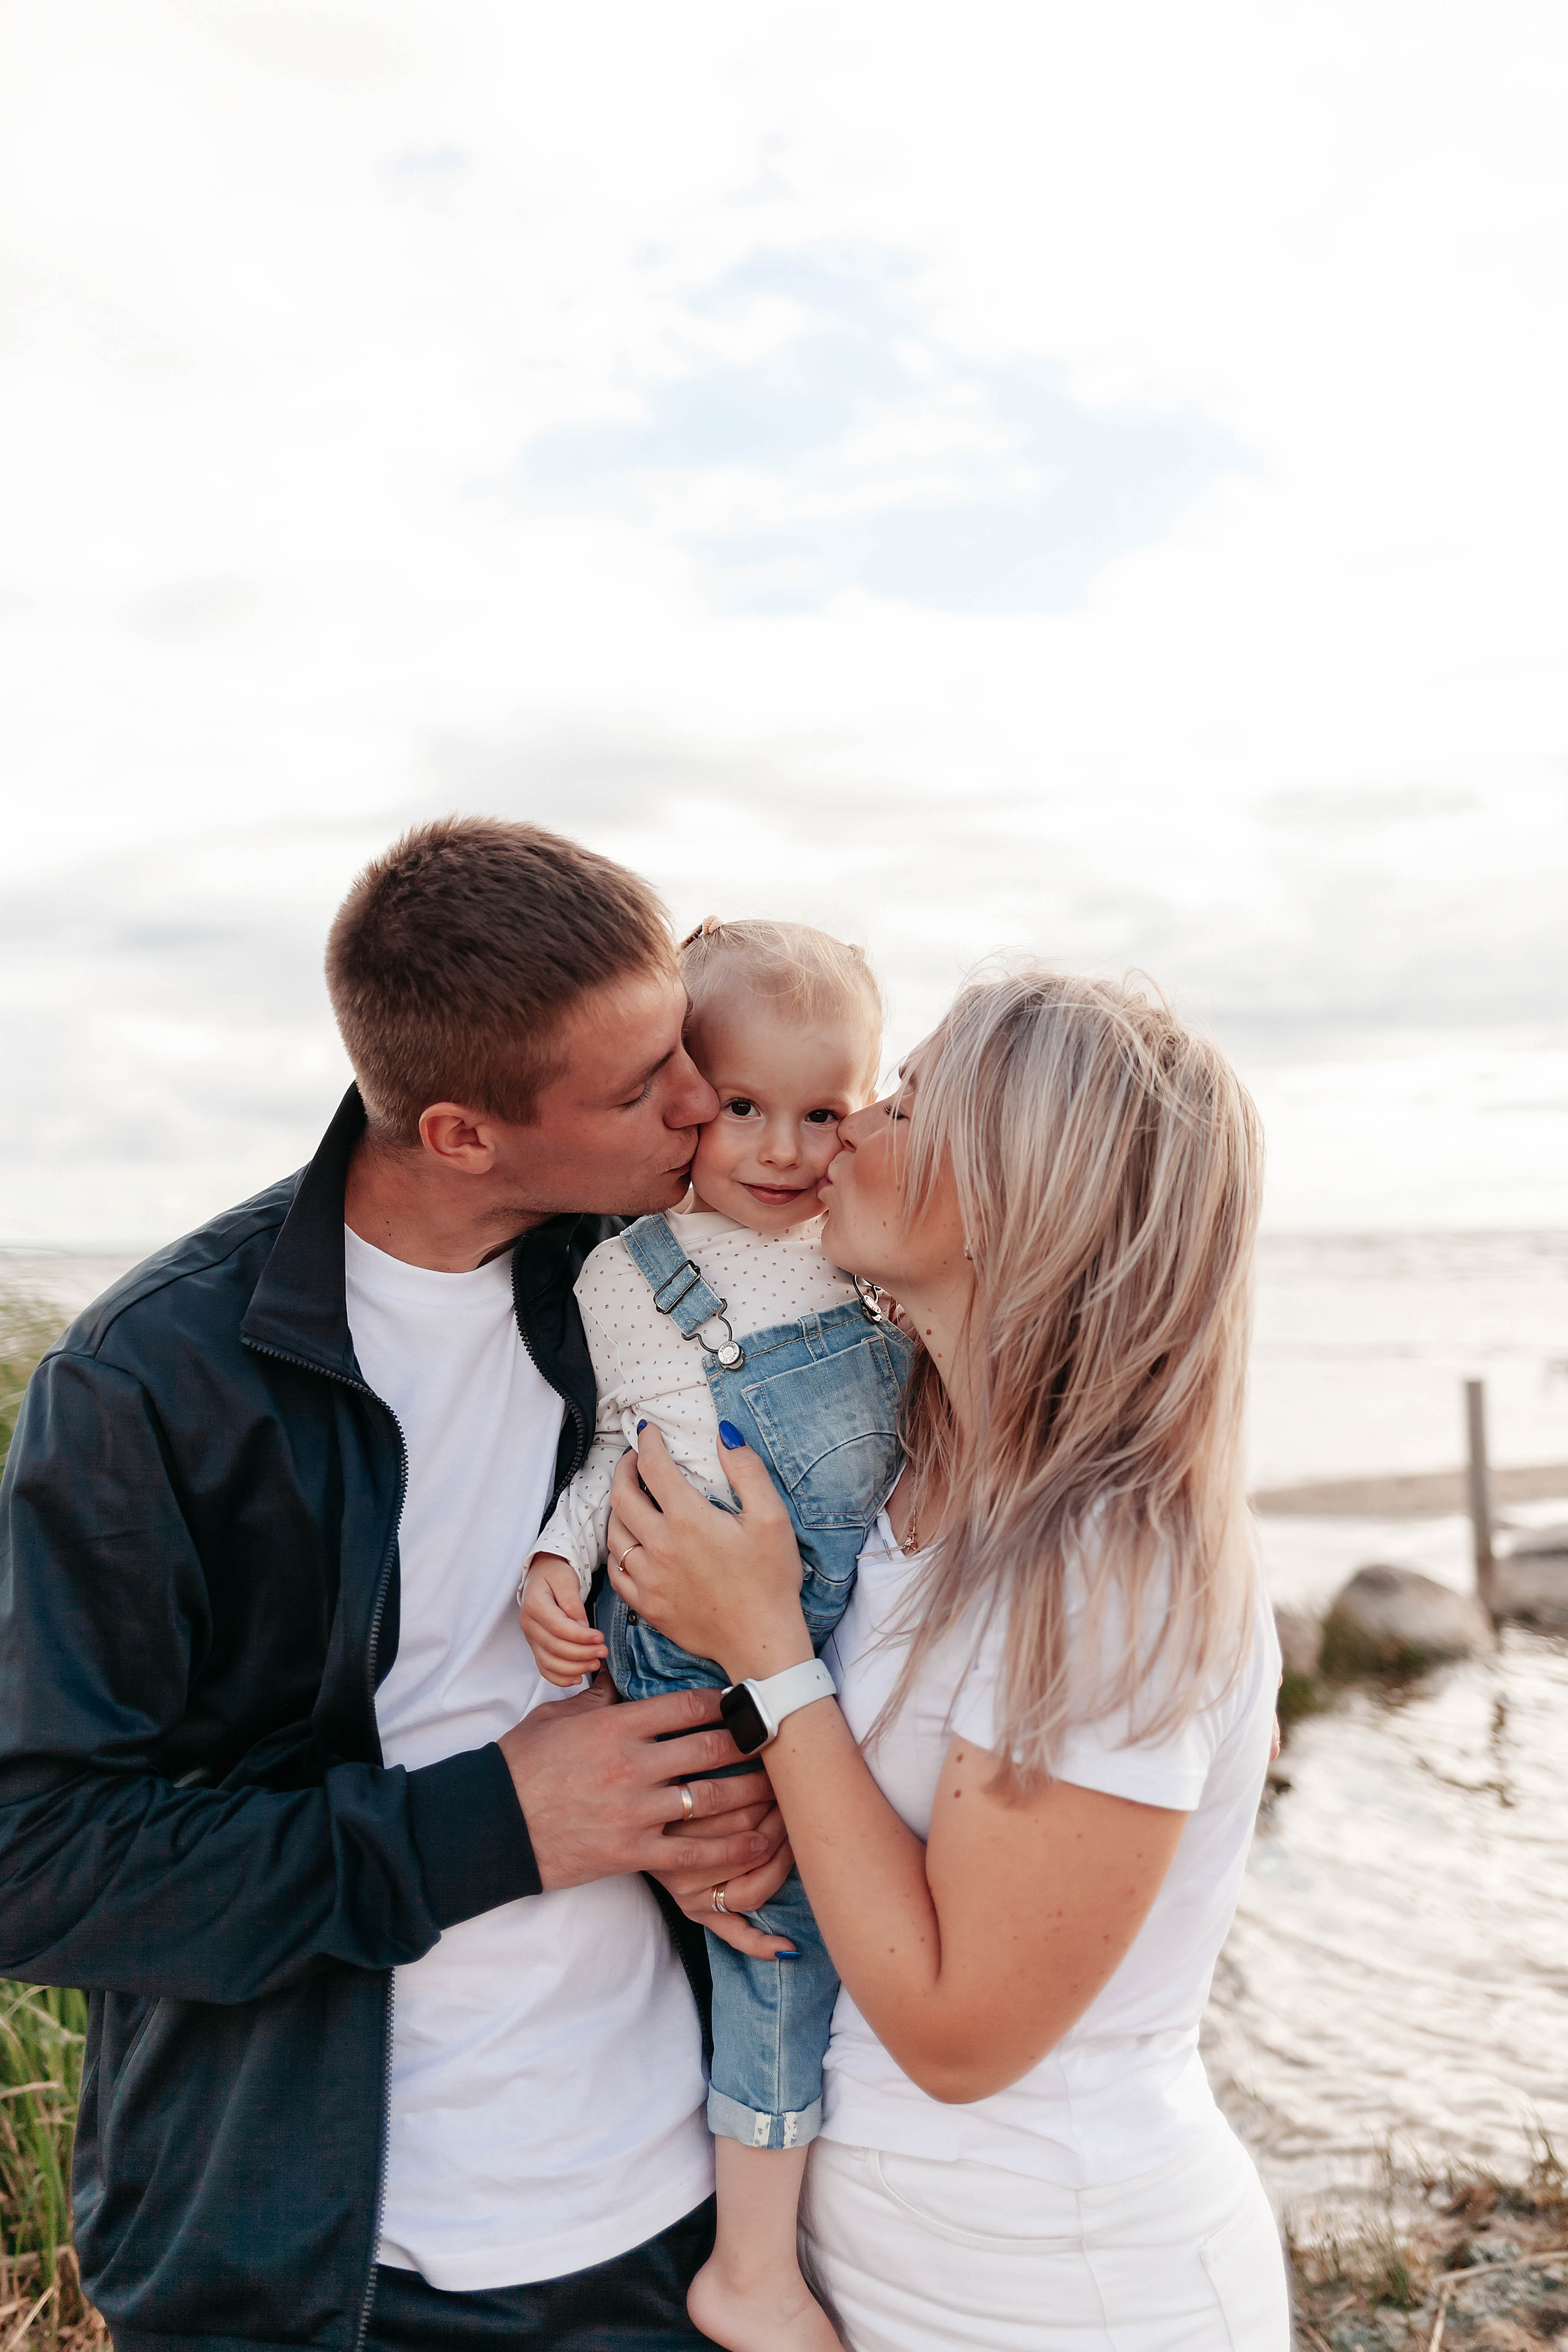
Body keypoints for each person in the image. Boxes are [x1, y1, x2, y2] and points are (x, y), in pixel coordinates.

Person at [0, 817, 798, 2352]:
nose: (699, 1103)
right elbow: (38, 1861)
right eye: (641, 1087)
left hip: (677, 2216)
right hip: (319, 2267)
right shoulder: (151, 1385)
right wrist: (492, 1824)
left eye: (681, 1050)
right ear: (459, 1135)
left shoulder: (637, 1296)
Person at [602, 967, 1293, 2352]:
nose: (850, 1126)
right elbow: (867, 1831)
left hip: (1059, 2292)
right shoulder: (899, 1457)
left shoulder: (1114, 1564)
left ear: (1014, 1192)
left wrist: (771, 1658)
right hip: (869, 2262)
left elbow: (959, 2034)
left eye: (904, 1102)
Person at [521, 917, 911, 2352]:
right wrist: (559, 1564)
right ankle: (751, 2266)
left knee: (799, 1907)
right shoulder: (626, 1277)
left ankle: (780, 2231)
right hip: (689, 1646)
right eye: (742, 1105)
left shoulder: (865, 1250)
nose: (781, 1148)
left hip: (812, 1642)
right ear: (686, 1093)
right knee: (769, 1931)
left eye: (824, 1112)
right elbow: (616, 1444)